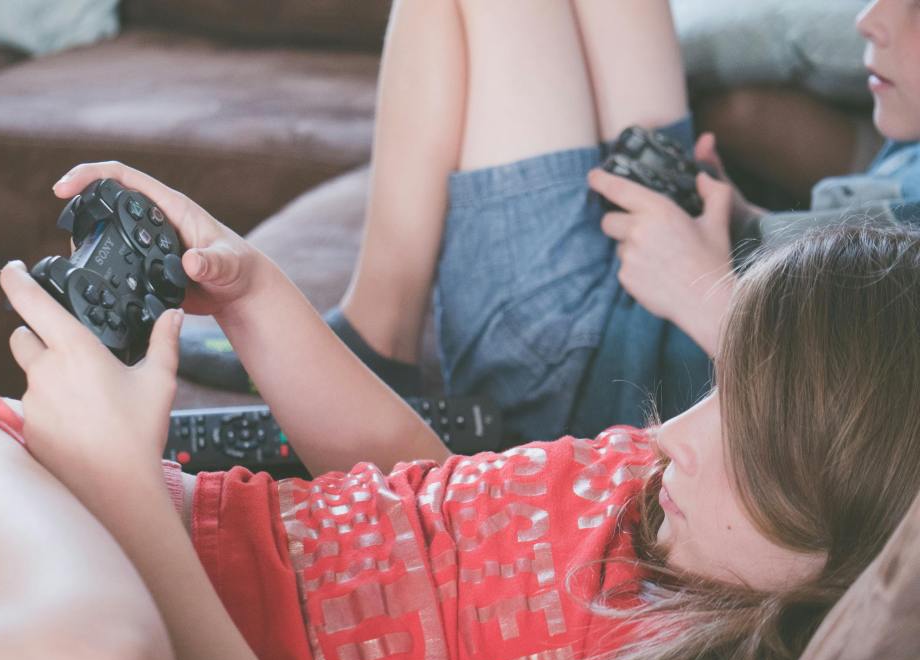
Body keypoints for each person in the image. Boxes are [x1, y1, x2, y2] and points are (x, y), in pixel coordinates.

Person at [0, 0, 920, 660]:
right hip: (55, 500)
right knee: (90, 643)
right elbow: (414, 494)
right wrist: (257, 294)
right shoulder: (653, 496)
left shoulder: (665, 643)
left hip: (109, 535)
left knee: (94, 649)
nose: (667, 434)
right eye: (712, 392)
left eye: (737, 436)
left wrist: (119, 475)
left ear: (847, 538)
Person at [198, 0, 920, 445]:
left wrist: (702, 291)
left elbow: (874, 414)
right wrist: (745, 220)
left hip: (600, 378)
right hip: (673, 260)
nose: (870, 19)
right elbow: (858, 265)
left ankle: (378, 334)